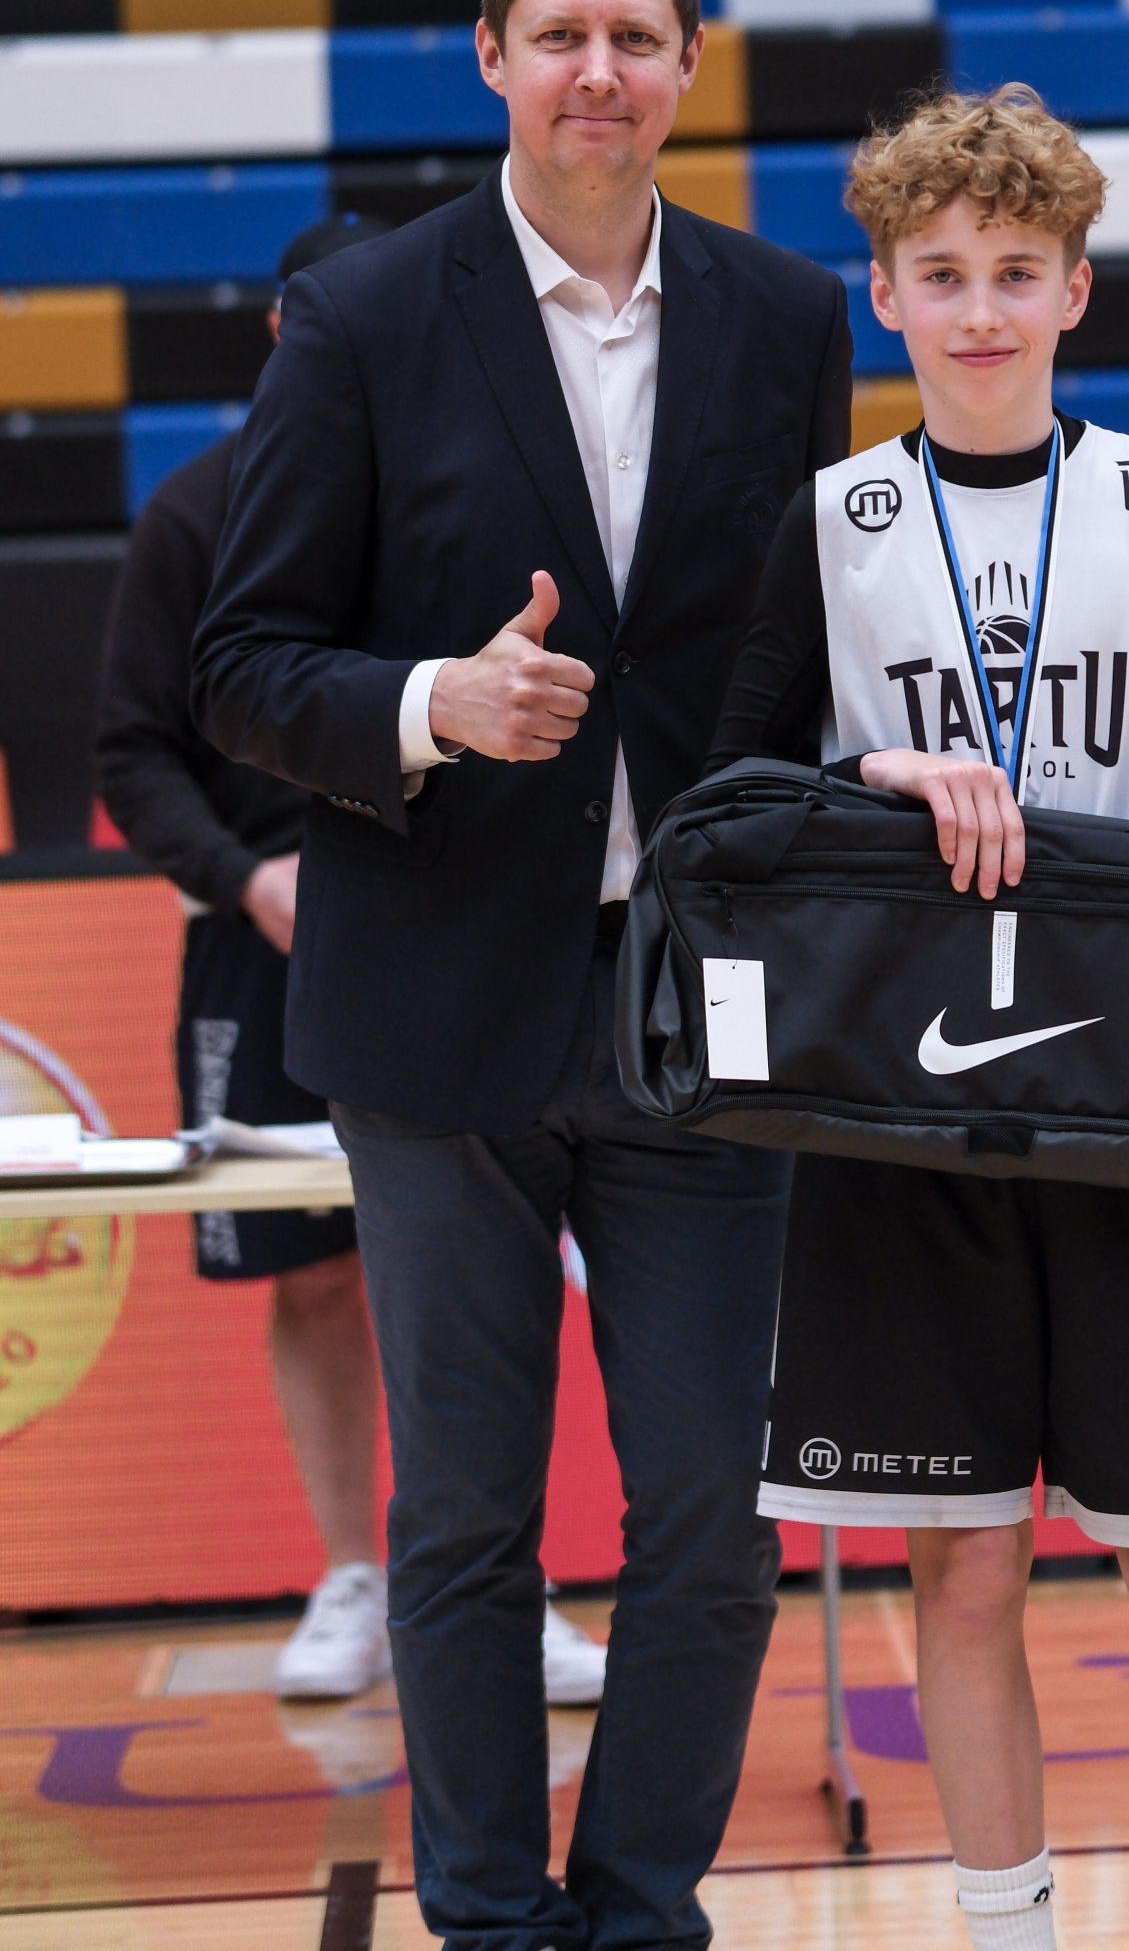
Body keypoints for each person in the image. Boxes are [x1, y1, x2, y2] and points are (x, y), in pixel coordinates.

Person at [192, 0, 852, 1951]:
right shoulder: (370, 317)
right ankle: (488, 1916)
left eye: (635, 35)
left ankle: (641, 1909)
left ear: (688, 65)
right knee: (468, 1516)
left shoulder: (784, 316)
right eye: (558, 32)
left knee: (714, 1518)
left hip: (696, 996)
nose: (597, 71)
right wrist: (429, 703)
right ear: (490, 57)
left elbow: (801, 658)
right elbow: (241, 662)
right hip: (437, 997)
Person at [710, 84, 1129, 1951]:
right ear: (881, 293)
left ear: (1074, 293)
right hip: (904, 1110)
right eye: (941, 273)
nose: (978, 310)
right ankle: (1004, 1933)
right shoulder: (830, 521)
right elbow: (729, 801)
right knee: (960, 1571)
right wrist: (877, 767)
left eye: (1014, 272)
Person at [94, 214, 609, 1712]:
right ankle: (350, 1575)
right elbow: (134, 752)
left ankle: (508, 1584)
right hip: (263, 943)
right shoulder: (196, 511)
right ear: (285, 334)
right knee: (313, 1274)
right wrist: (246, 878)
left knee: (491, 1270)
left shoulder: (486, 483)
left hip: (460, 924)